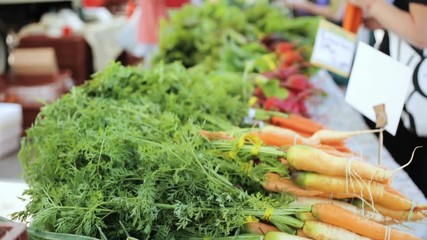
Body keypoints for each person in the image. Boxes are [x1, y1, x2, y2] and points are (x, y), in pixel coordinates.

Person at [350, 0, 427, 196]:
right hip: (402, 88)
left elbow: (422, 33)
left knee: (411, 178)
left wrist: (372, 5)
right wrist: (384, 18)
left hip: (412, 96)